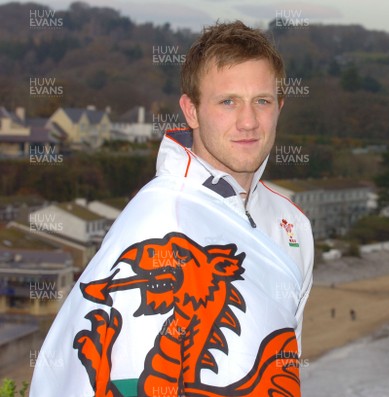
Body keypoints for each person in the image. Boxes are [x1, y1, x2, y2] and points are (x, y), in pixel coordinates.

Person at [30, 20, 313, 397]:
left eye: (261, 101)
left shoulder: (292, 224)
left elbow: (286, 356)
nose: (248, 121)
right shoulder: (160, 218)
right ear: (191, 110)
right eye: (227, 101)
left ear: (279, 106)